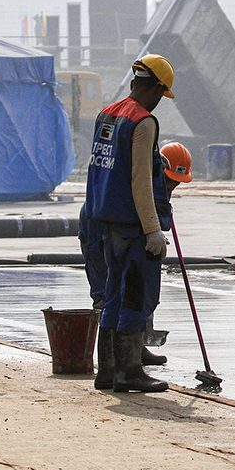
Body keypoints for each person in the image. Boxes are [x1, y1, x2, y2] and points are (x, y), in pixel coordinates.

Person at [85, 55, 175, 393]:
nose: (158, 102)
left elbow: (103, 169)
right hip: (132, 224)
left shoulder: (107, 114)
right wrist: (153, 229)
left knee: (112, 295)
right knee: (135, 296)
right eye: (160, 94)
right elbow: (140, 180)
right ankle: (129, 372)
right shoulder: (144, 122)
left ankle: (106, 371)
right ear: (154, 87)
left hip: (103, 220)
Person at [84, 140, 193, 386]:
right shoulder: (145, 179)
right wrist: (153, 229)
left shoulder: (136, 176)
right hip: (117, 239)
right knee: (130, 299)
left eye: (176, 183)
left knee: (118, 299)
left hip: (118, 235)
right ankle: (127, 371)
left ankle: (112, 370)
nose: (172, 187)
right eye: (169, 182)